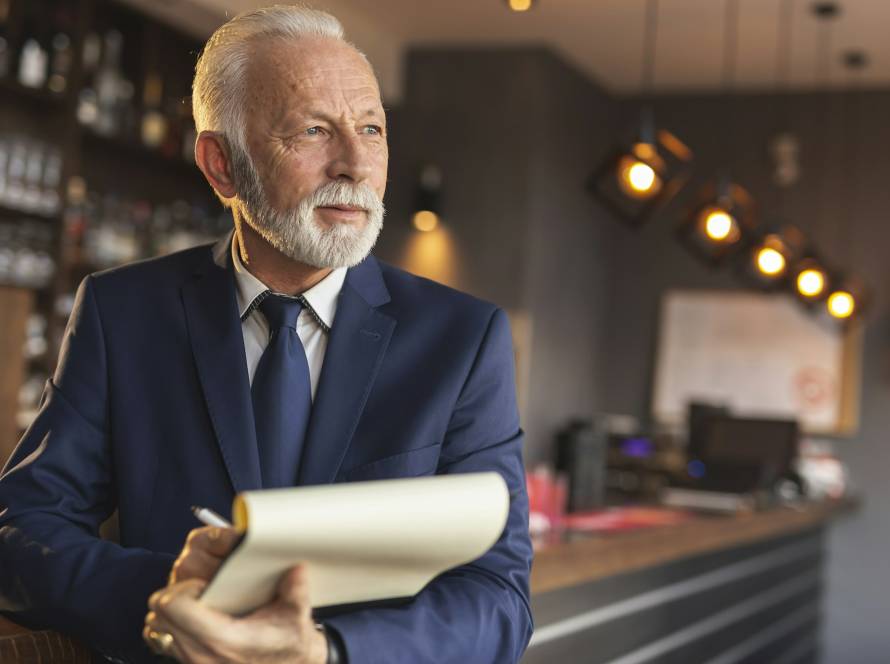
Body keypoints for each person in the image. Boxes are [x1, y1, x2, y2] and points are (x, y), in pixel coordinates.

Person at [0, 5, 533, 663]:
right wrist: (171, 594)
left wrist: (325, 652)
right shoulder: (123, 312)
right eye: (313, 130)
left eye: (371, 128)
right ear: (221, 165)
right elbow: (19, 531)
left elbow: (500, 596)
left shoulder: (464, 338)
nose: (355, 165)